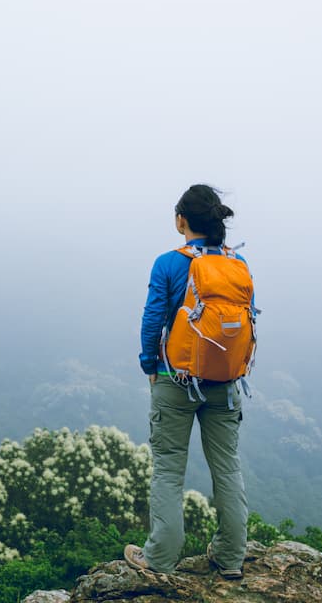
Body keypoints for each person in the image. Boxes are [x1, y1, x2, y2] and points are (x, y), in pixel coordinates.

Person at [124, 184, 251, 580]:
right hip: (225, 381)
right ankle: (231, 557)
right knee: (227, 468)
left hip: (174, 379)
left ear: (182, 221)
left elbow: (153, 318)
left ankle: (159, 557)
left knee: (167, 470)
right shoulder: (238, 262)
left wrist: (149, 364)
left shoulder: (168, 262)